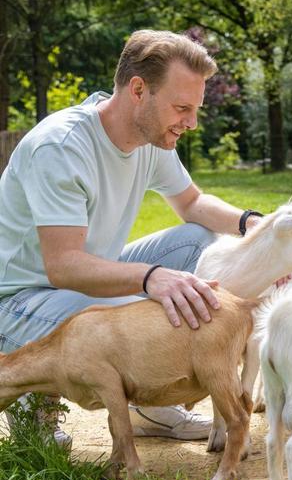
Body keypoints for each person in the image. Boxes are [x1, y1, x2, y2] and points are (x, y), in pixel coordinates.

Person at [0, 30, 266, 448]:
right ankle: (34, 399)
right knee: (132, 309)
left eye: (194, 110)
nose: (191, 123)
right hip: (20, 301)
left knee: (198, 239)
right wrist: (151, 278)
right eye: (182, 108)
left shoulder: (152, 138)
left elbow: (193, 203)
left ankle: (150, 407)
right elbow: (64, 265)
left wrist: (256, 225)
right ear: (138, 90)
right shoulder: (60, 148)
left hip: (85, 283)